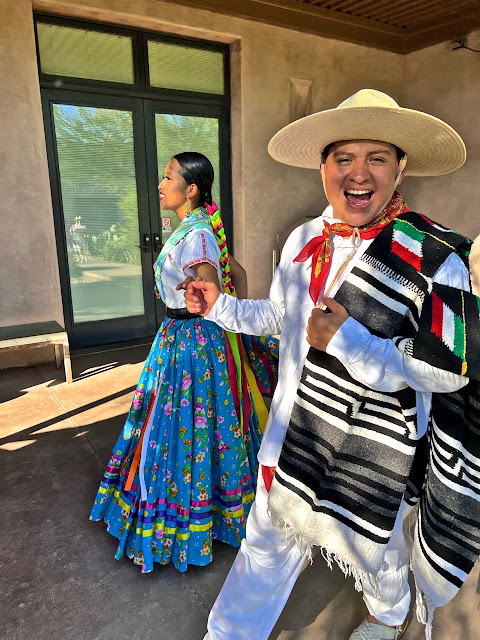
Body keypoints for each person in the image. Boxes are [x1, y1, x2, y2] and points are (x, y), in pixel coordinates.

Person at [184, 90, 480, 639]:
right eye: (344, 157)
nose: (358, 173)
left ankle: (385, 619)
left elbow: (446, 370)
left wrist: (350, 342)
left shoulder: (434, 257)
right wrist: (221, 306)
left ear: (401, 168)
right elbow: (281, 318)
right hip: (291, 441)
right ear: (323, 168)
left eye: (377, 158)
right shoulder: (303, 240)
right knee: (262, 555)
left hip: (377, 454)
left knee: (377, 558)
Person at [90, 152, 273, 573]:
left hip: (193, 343)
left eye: (168, 177)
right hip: (184, 337)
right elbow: (239, 274)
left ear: (190, 190)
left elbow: (213, 283)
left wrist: (219, 312)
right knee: (190, 425)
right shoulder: (196, 229)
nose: (161, 184)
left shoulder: (198, 234)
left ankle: (190, 520)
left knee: (186, 427)